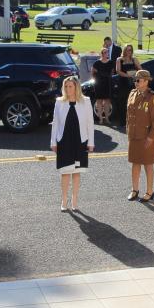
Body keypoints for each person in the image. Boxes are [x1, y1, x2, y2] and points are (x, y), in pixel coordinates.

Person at [51, 76, 95, 211]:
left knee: (77, 172)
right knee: (65, 172)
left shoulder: (86, 101)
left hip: (80, 140)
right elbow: (55, 123)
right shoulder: (59, 102)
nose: (68, 89)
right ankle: (64, 200)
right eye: (66, 86)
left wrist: (91, 143)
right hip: (64, 141)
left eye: (70, 86)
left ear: (76, 87)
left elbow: (90, 123)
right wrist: (53, 142)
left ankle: (75, 200)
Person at [126, 69, 154, 203]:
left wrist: (151, 137)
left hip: (146, 136)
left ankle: (149, 191)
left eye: (138, 80)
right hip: (134, 135)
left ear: (146, 81)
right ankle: (134, 190)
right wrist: (128, 131)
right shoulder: (132, 94)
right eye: (135, 80)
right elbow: (129, 115)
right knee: (135, 163)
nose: (135, 82)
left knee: (148, 164)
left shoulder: (153, 97)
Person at [115, 44, 141, 126]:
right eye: (127, 50)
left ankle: (132, 120)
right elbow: (118, 71)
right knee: (122, 102)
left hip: (132, 83)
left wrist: (136, 74)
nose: (129, 51)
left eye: (130, 50)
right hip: (123, 83)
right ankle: (122, 121)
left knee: (133, 102)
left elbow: (141, 69)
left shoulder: (134, 59)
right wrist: (128, 75)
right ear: (124, 50)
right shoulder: (119, 60)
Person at [90, 48, 115, 124]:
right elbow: (92, 72)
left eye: (107, 52)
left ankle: (107, 118)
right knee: (99, 101)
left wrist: (107, 77)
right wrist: (96, 79)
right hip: (98, 83)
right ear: (101, 54)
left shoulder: (111, 62)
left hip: (107, 83)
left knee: (107, 101)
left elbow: (112, 72)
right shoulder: (97, 63)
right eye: (104, 52)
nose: (105, 54)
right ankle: (100, 118)